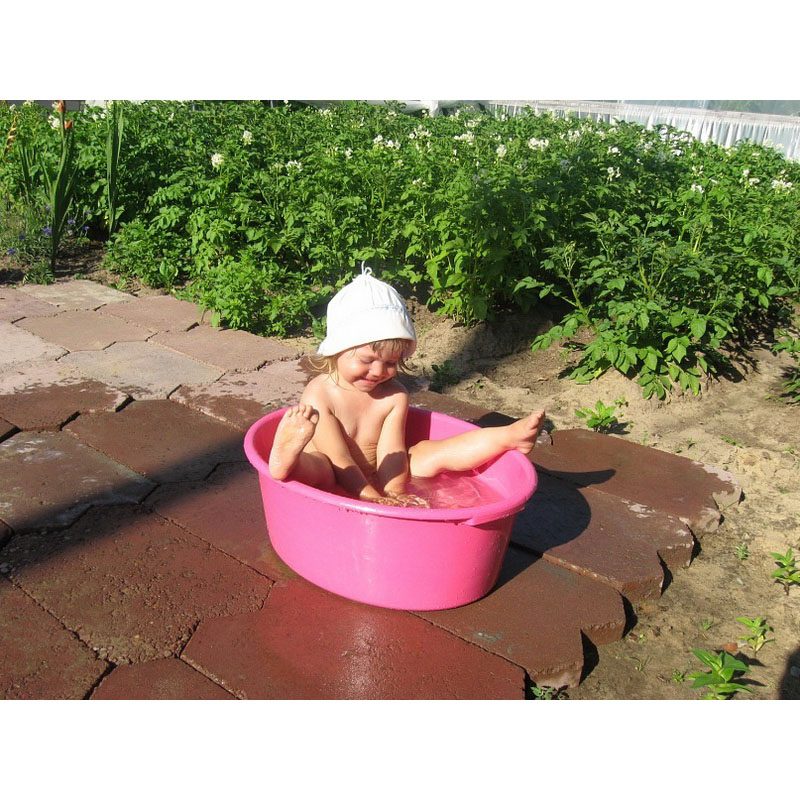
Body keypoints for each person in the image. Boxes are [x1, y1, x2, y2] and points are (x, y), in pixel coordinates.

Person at [268, 265, 546, 506]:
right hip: (335, 470)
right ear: (337, 350)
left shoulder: (394, 396)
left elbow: (392, 454)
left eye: (391, 363)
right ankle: (288, 460)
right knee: (320, 468)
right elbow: (339, 458)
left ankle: (506, 437)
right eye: (367, 360)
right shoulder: (321, 393)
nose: (379, 372)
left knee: (425, 453)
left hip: (375, 473)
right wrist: (370, 497)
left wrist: (395, 494)